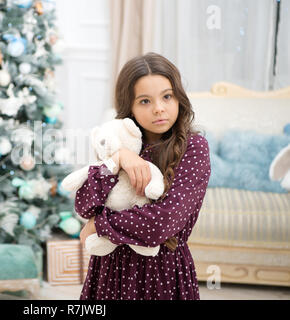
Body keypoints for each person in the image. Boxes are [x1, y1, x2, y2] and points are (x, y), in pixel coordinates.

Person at [76, 52, 211, 300]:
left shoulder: (194, 148)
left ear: (178, 98)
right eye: (145, 101)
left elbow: (162, 223)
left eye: (167, 96)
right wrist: (118, 159)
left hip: (162, 273)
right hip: (110, 269)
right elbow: (85, 203)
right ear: (130, 107)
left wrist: (100, 224)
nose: (159, 108)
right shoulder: (115, 142)